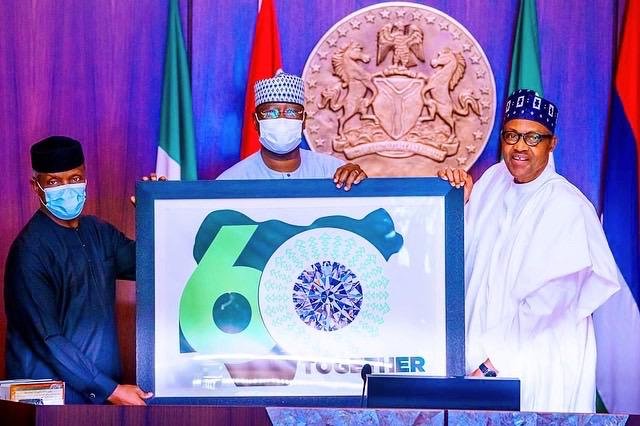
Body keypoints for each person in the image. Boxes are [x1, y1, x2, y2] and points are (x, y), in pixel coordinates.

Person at [438, 89, 620, 412]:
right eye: (511, 135)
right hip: (476, 372)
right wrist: (456, 205)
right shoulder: (492, 182)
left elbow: (546, 310)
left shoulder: (567, 207)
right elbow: (462, 260)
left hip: (533, 369)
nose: (520, 146)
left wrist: (492, 367)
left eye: (533, 138)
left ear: (552, 144)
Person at [4, 136, 152, 405]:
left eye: (74, 179)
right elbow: (48, 339)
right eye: (53, 182)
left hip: (98, 398)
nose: (66, 188)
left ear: (84, 178)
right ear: (35, 187)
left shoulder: (98, 232)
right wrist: (111, 390)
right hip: (46, 402)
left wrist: (154, 210)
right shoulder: (30, 251)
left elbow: (148, 266)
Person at [217, 70, 367, 189]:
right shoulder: (231, 182)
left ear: (303, 121)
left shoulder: (333, 173)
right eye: (271, 112)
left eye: (291, 112)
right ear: (256, 122)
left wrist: (358, 181)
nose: (282, 120)